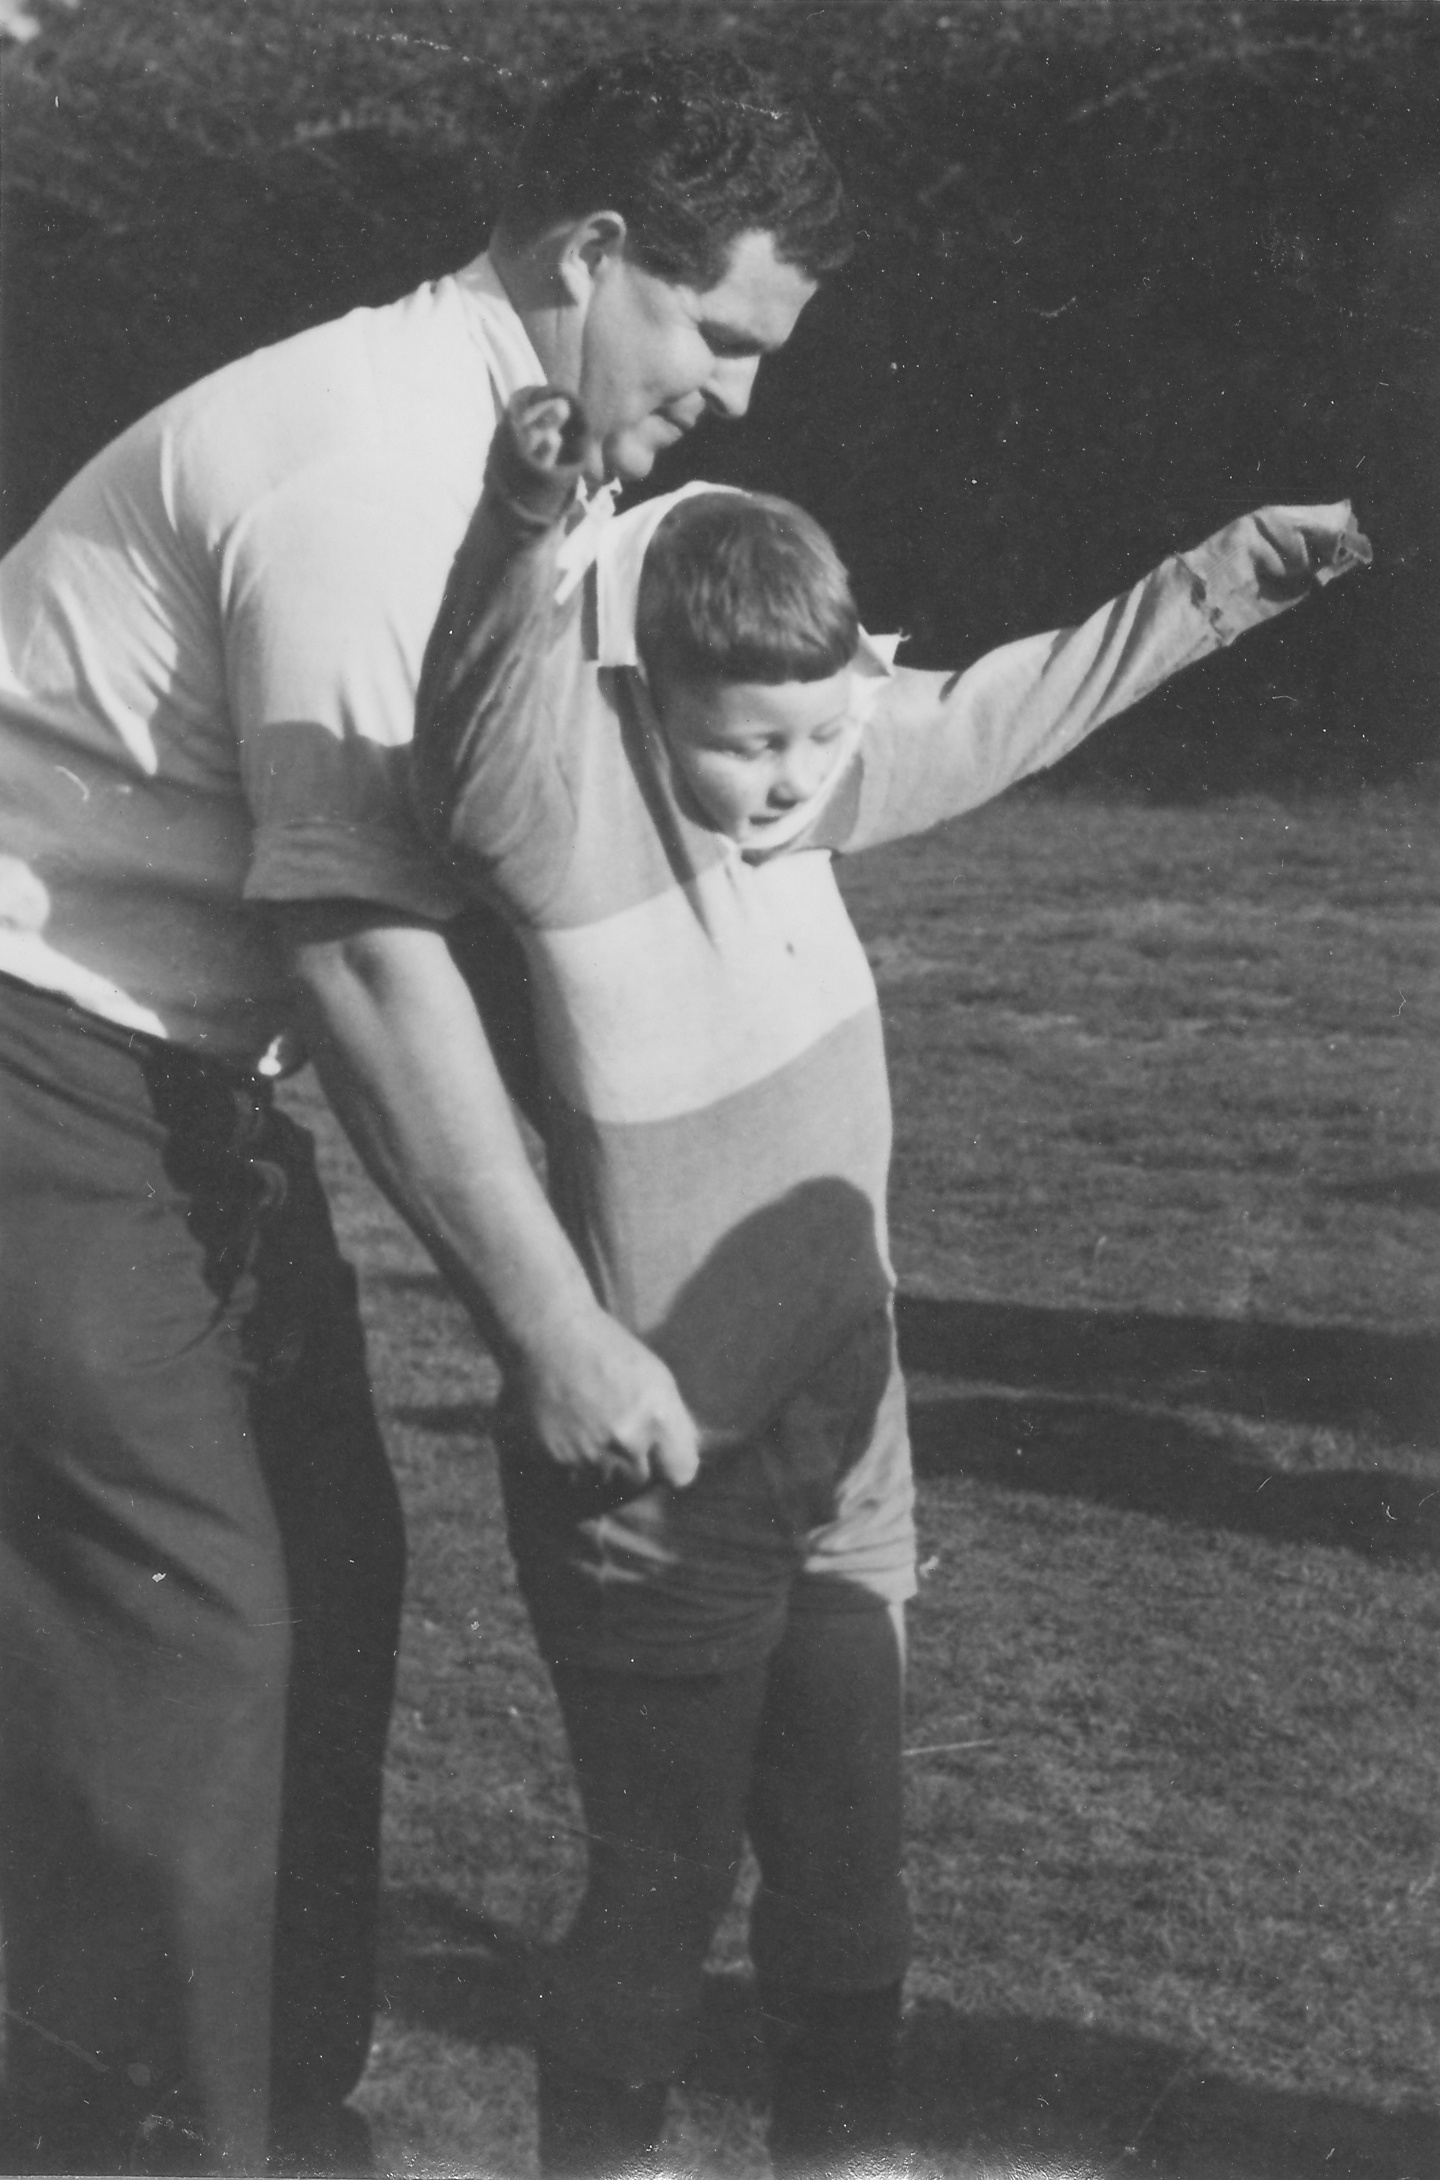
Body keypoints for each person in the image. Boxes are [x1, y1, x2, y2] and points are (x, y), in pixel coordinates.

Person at [0, 47, 852, 2177]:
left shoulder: (502, 457)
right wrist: (560, 1328)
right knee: (190, 1633)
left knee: (325, 1573)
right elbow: (366, 952)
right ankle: (168, 2144)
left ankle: (267, 2116)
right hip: (37, 1039)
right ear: (591, 256)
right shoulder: (368, 464)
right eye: (720, 332)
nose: (738, 398)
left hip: (164, 1070)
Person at [411, 386, 1369, 2178]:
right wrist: (518, 530)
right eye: (748, 744)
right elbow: (470, 719)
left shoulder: (814, 785)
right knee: (660, 1892)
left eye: (814, 737)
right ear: (637, 697)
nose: (790, 782)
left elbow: (1023, 696)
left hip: (851, 1454)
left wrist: (1232, 574)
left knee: (854, 1882)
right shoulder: (556, 828)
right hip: (656, 1480)